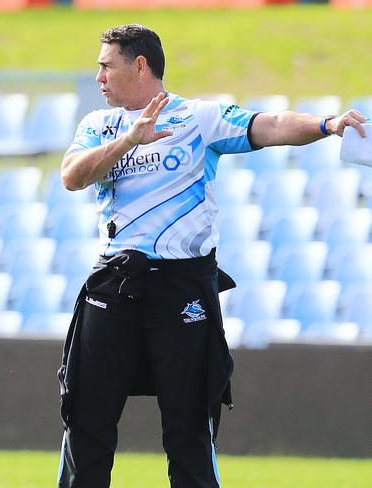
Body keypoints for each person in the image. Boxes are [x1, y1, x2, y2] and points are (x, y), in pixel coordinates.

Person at [56, 24, 366, 488]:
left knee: (189, 427)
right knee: (85, 419)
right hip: (115, 283)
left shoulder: (197, 117)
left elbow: (272, 125)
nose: (98, 76)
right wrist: (129, 141)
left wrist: (327, 126)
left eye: (106, 65)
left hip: (182, 287)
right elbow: (71, 177)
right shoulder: (98, 126)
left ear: (139, 65)